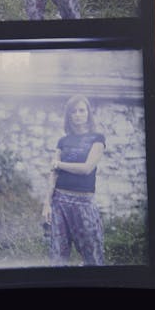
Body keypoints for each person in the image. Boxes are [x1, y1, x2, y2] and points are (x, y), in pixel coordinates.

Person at [42, 95, 105, 266]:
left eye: (81, 110)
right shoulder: (63, 141)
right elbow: (53, 174)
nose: (78, 114)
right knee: (57, 256)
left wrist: (59, 163)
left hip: (84, 203)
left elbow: (86, 168)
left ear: (88, 113)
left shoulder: (97, 138)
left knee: (93, 255)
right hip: (59, 201)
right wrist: (47, 204)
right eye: (73, 111)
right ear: (69, 115)